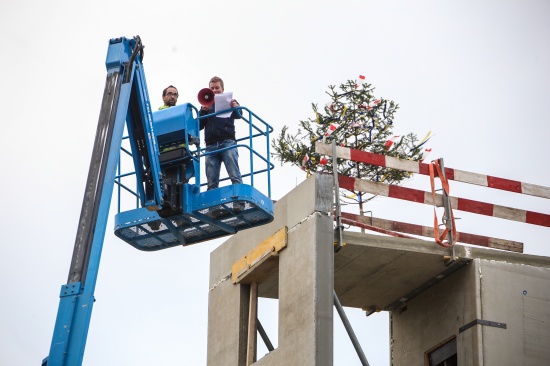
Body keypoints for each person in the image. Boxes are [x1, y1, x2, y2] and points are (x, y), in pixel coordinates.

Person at [199, 76, 243, 191]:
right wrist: (203, 111)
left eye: (217, 88)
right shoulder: (206, 103)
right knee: (211, 181)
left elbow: (239, 115)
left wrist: (235, 107)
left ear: (222, 89)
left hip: (227, 142)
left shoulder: (230, 101)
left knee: (234, 174)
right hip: (210, 146)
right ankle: (212, 207)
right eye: (212, 88)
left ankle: (239, 200)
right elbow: (199, 126)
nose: (214, 90)